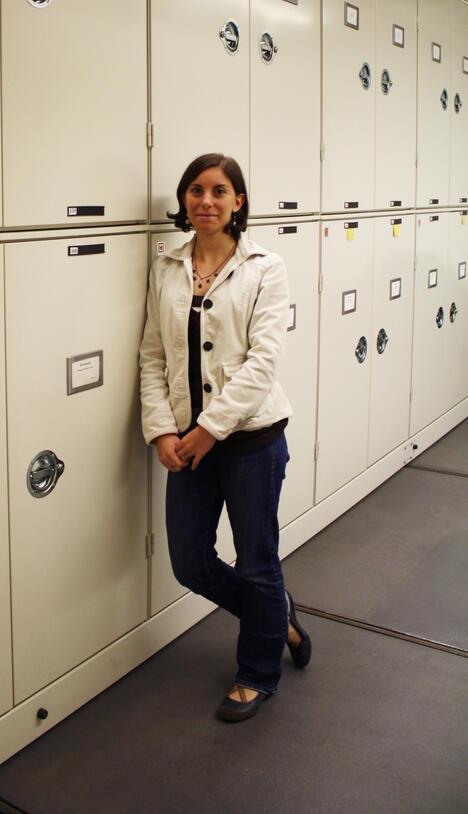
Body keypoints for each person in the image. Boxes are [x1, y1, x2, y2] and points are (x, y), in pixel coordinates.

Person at [139, 153, 311, 722]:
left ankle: (257, 674)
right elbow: (153, 354)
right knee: (189, 561)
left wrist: (208, 433)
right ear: (184, 200)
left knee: (257, 559)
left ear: (239, 200)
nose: (205, 201)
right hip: (185, 440)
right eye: (195, 191)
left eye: (219, 191)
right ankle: (276, 616)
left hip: (252, 440)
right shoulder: (167, 266)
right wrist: (163, 428)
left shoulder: (266, 266)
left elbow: (262, 363)